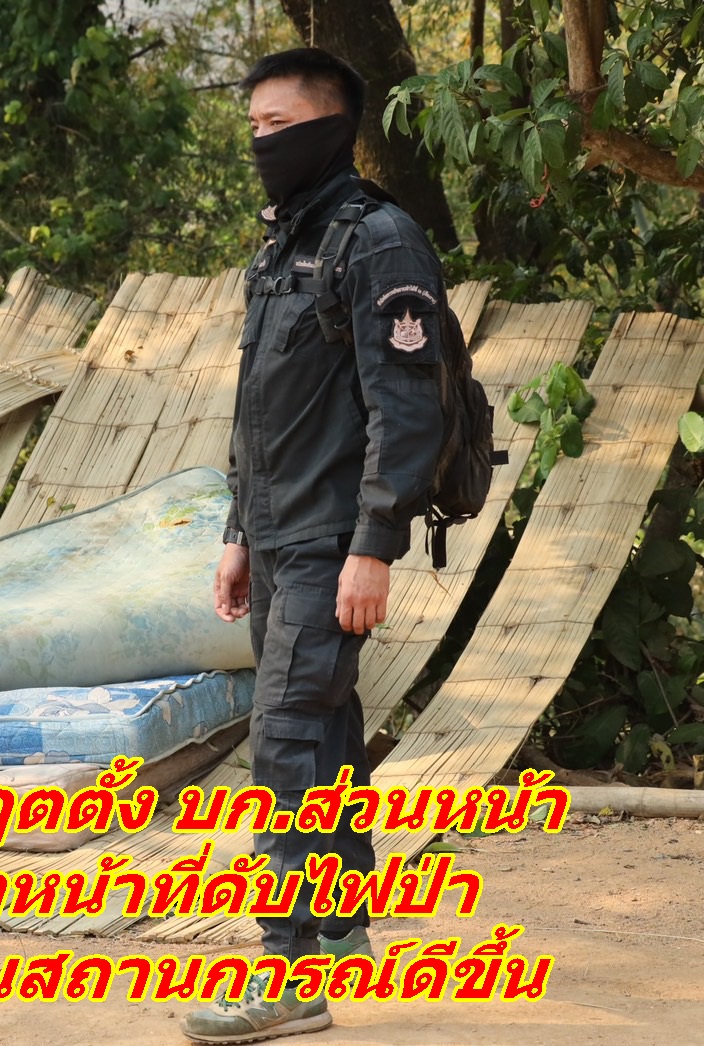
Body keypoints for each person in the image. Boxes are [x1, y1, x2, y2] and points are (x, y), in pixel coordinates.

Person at [183, 49, 446, 1043]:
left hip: (334, 537)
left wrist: (373, 544)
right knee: (322, 729)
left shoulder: (379, 242)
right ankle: (339, 926)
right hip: (279, 534)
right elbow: (260, 406)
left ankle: (287, 971)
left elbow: (406, 409)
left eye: (279, 125)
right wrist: (237, 532)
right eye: (252, 126)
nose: (261, 142)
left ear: (333, 126)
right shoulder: (286, 243)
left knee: (287, 739)